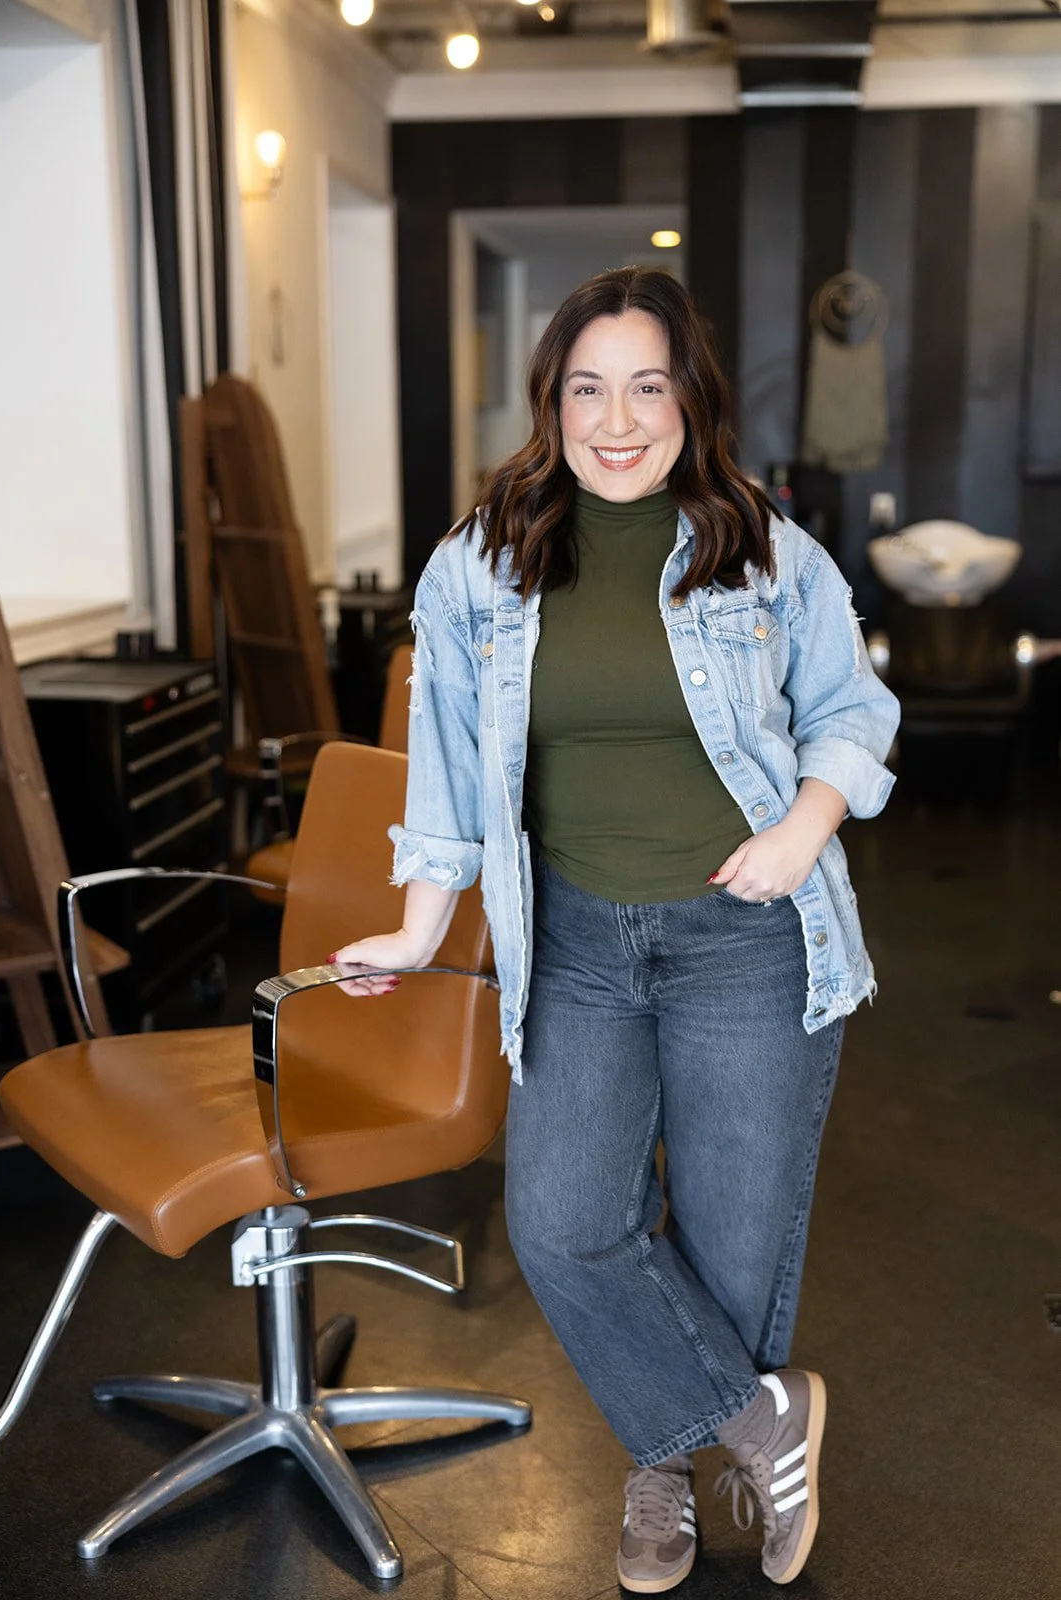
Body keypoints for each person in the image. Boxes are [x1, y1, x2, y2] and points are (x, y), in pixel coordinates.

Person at [330, 267, 900, 1593]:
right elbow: (449, 760)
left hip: (746, 941)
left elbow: (852, 712)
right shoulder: (484, 558)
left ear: (689, 399)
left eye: (647, 385)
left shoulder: (762, 545)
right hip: (575, 943)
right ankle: (749, 1424)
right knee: (565, 1223)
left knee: (725, 1245)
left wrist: (803, 828)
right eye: (588, 388)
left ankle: (661, 1478)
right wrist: (419, 929)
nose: (617, 417)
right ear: (553, 403)